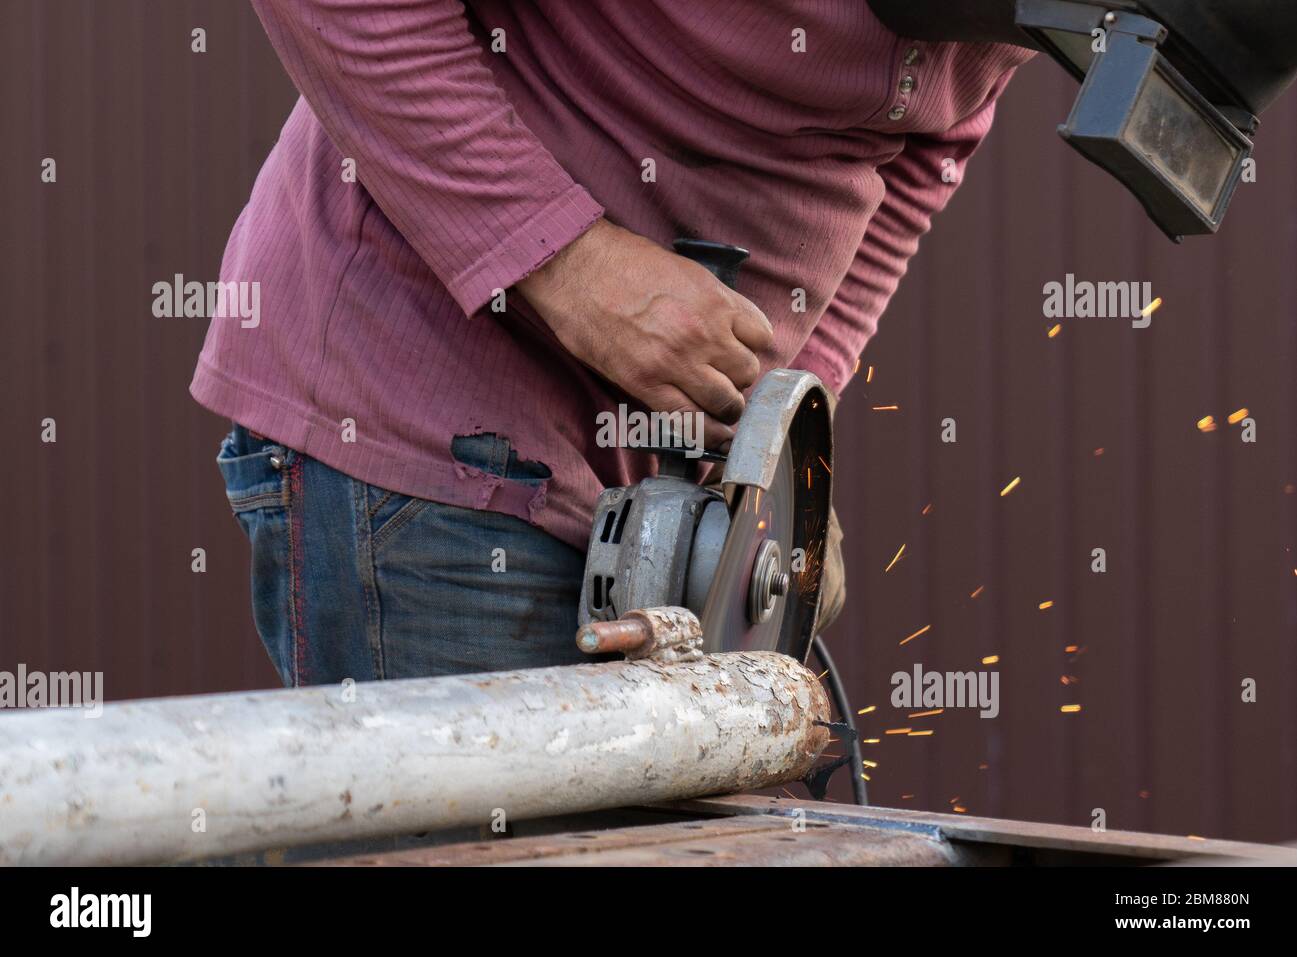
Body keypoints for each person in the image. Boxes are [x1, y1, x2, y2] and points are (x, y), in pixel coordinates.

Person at [193, 1, 1033, 686]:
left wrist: (782, 432)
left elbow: (935, 142)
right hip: (437, 423)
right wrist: (569, 266)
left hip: (669, 477)